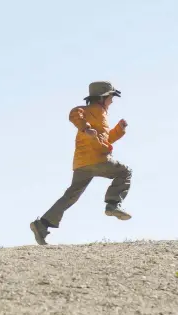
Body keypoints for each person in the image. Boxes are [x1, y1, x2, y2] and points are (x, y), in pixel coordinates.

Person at [30, 81, 132, 245]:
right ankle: (113, 204)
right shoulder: (91, 111)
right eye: (111, 97)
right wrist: (85, 128)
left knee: (71, 196)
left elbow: (104, 139)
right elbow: (74, 114)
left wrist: (119, 130)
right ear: (102, 98)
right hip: (97, 158)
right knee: (125, 172)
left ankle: (42, 224)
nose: (112, 101)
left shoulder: (100, 114)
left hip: (82, 163)